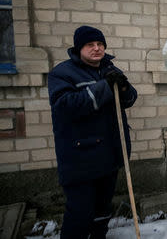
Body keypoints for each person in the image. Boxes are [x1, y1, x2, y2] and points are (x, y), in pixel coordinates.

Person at [48, 26, 137, 239]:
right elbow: (66, 107)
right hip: (80, 159)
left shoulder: (110, 69)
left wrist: (123, 87)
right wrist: (105, 86)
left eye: (100, 44)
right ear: (79, 48)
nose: (97, 49)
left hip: (109, 155)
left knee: (102, 211)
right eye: (90, 45)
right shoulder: (63, 73)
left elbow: (130, 100)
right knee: (80, 213)